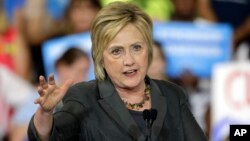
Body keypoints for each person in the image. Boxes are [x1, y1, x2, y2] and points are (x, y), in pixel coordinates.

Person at [28, 1, 207, 141]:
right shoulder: (83, 97)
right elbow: (51, 136)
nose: (129, 60)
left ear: (149, 50)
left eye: (137, 48)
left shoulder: (173, 95)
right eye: (116, 51)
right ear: (100, 57)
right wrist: (45, 114)